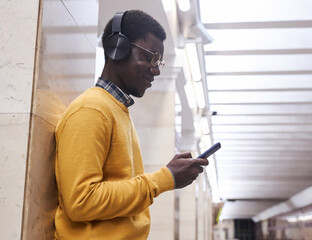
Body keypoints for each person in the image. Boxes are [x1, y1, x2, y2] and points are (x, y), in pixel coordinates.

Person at [54, 9, 209, 240]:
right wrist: (164, 178)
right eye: (150, 57)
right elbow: (81, 201)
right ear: (117, 48)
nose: (156, 70)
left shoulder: (116, 110)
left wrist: (166, 177)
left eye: (160, 62)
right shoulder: (92, 110)